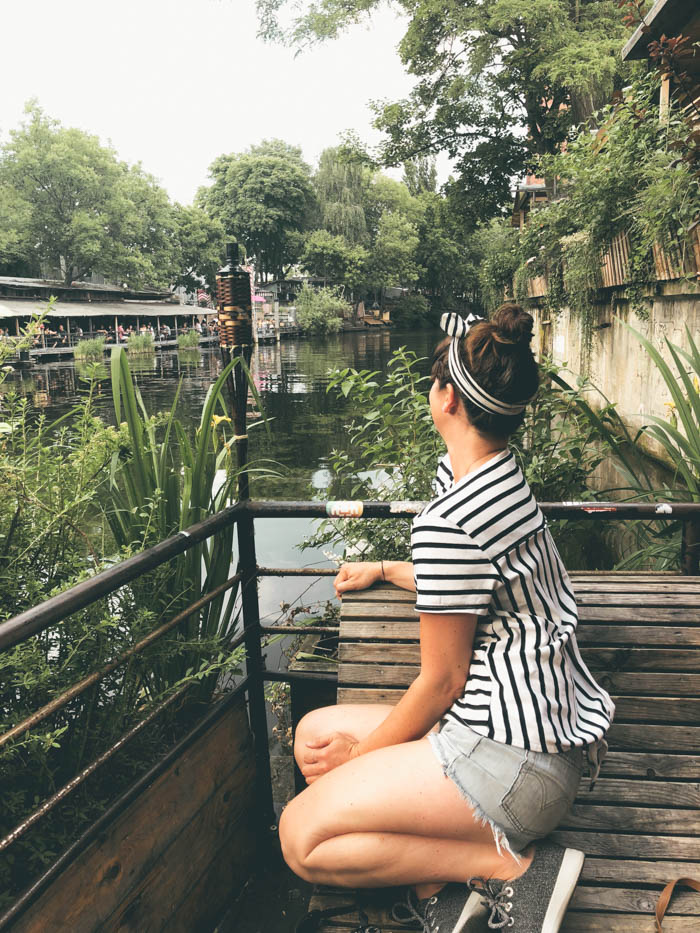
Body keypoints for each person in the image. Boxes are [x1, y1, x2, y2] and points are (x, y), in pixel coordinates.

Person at [280, 304, 615, 933]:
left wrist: (364, 761)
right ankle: (442, 888)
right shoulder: (493, 477)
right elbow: (468, 581)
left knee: (301, 837)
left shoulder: (452, 519)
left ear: (450, 401)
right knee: (316, 736)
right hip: (526, 735)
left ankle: (518, 874)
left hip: (515, 763)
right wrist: (385, 567)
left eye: (435, 382)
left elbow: (441, 683)